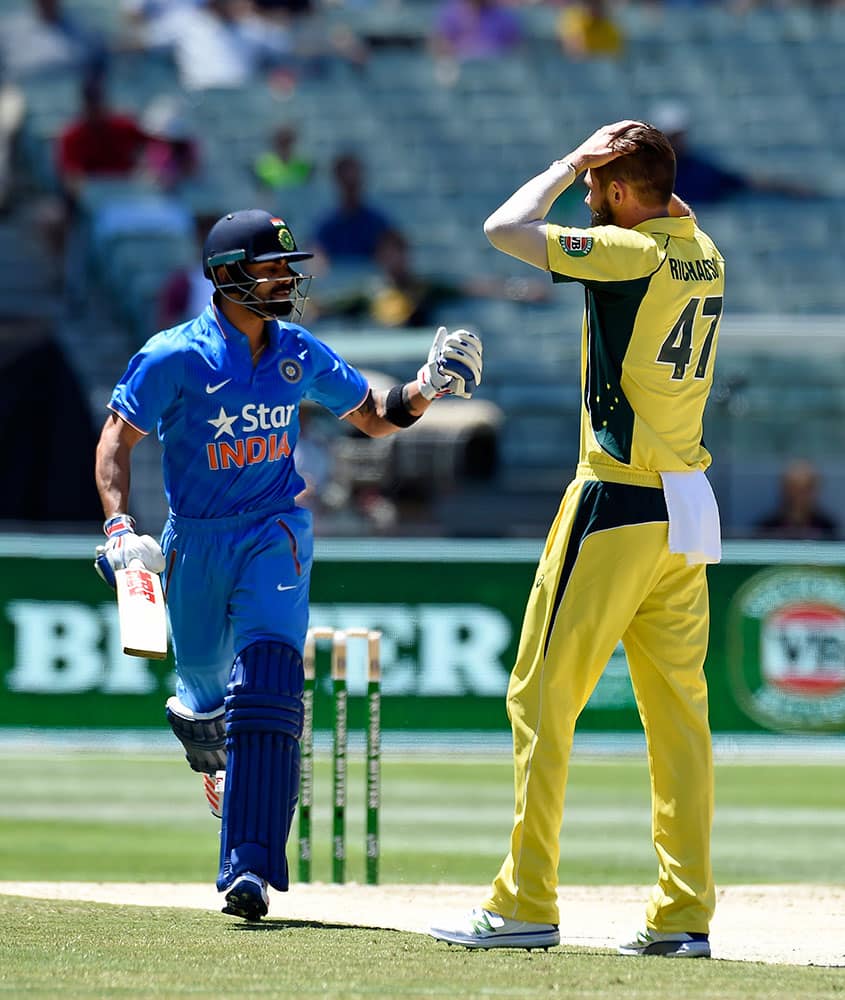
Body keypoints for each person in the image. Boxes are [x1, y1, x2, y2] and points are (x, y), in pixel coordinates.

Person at [92, 208, 482, 922]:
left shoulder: (296, 349)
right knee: (203, 700)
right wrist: (120, 527)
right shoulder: (171, 356)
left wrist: (428, 384)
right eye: (270, 268)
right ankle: (217, 764)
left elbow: (372, 414)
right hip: (196, 542)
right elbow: (116, 442)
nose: (284, 278)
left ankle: (247, 868)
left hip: (275, 531)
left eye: (285, 267)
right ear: (225, 276)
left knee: (269, 684)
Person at [430, 120, 725, 957]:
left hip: (615, 500)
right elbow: (670, 209)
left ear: (624, 195)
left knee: (538, 697)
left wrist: (565, 160)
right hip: (686, 507)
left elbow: (503, 228)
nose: (587, 203)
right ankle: (681, 916)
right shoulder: (705, 250)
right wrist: (631, 174)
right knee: (678, 720)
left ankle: (524, 900)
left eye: (599, 190)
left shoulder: (630, 254)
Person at [650, 101, 812, 204]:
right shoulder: (641, 174)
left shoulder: (704, 171)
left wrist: (791, 188)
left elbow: (745, 183)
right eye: (671, 136)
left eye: (679, 136)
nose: (676, 142)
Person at [311, 152, 395, 266]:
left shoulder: (377, 223)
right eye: (347, 184)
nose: (351, 190)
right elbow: (317, 260)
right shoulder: (326, 225)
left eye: (355, 184)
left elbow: (391, 257)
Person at [754, 459, 840, 541]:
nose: (799, 495)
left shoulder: (829, 528)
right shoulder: (766, 528)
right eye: (794, 488)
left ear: (816, 490)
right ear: (784, 489)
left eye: (806, 488)